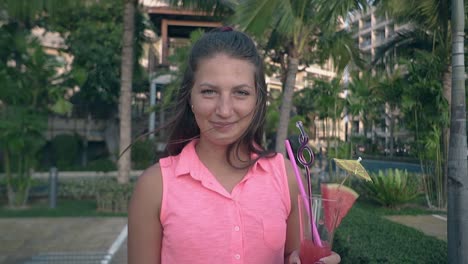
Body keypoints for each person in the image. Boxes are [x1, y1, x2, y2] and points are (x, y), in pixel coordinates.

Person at [128, 27, 341, 264]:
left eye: (241, 93)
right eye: (209, 92)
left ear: (258, 100)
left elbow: (294, 255)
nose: (225, 110)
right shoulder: (155, 186)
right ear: (190, 97)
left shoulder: (288, 178)